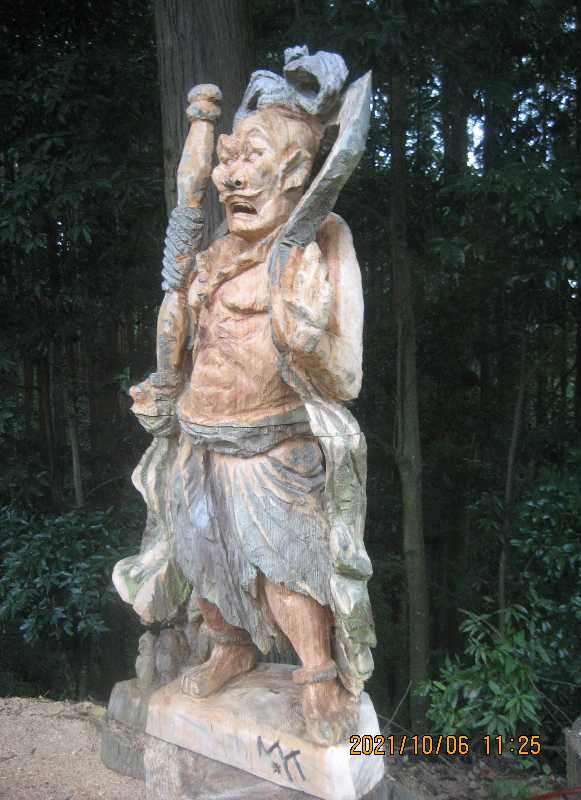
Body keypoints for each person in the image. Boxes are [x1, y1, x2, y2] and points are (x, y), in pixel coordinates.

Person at [124, 50, 375, 747]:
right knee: (203, 556)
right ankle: (230, 646)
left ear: (295, 173)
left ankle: (317, 673)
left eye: (250, 157)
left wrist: (306, 338)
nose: (228, 174)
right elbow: (184, 337)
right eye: (227, 157)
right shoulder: (212, 252)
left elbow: (346, 377)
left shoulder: (321, 241)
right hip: (198, 438)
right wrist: (163, 383)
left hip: (272, 445)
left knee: (286, 568)